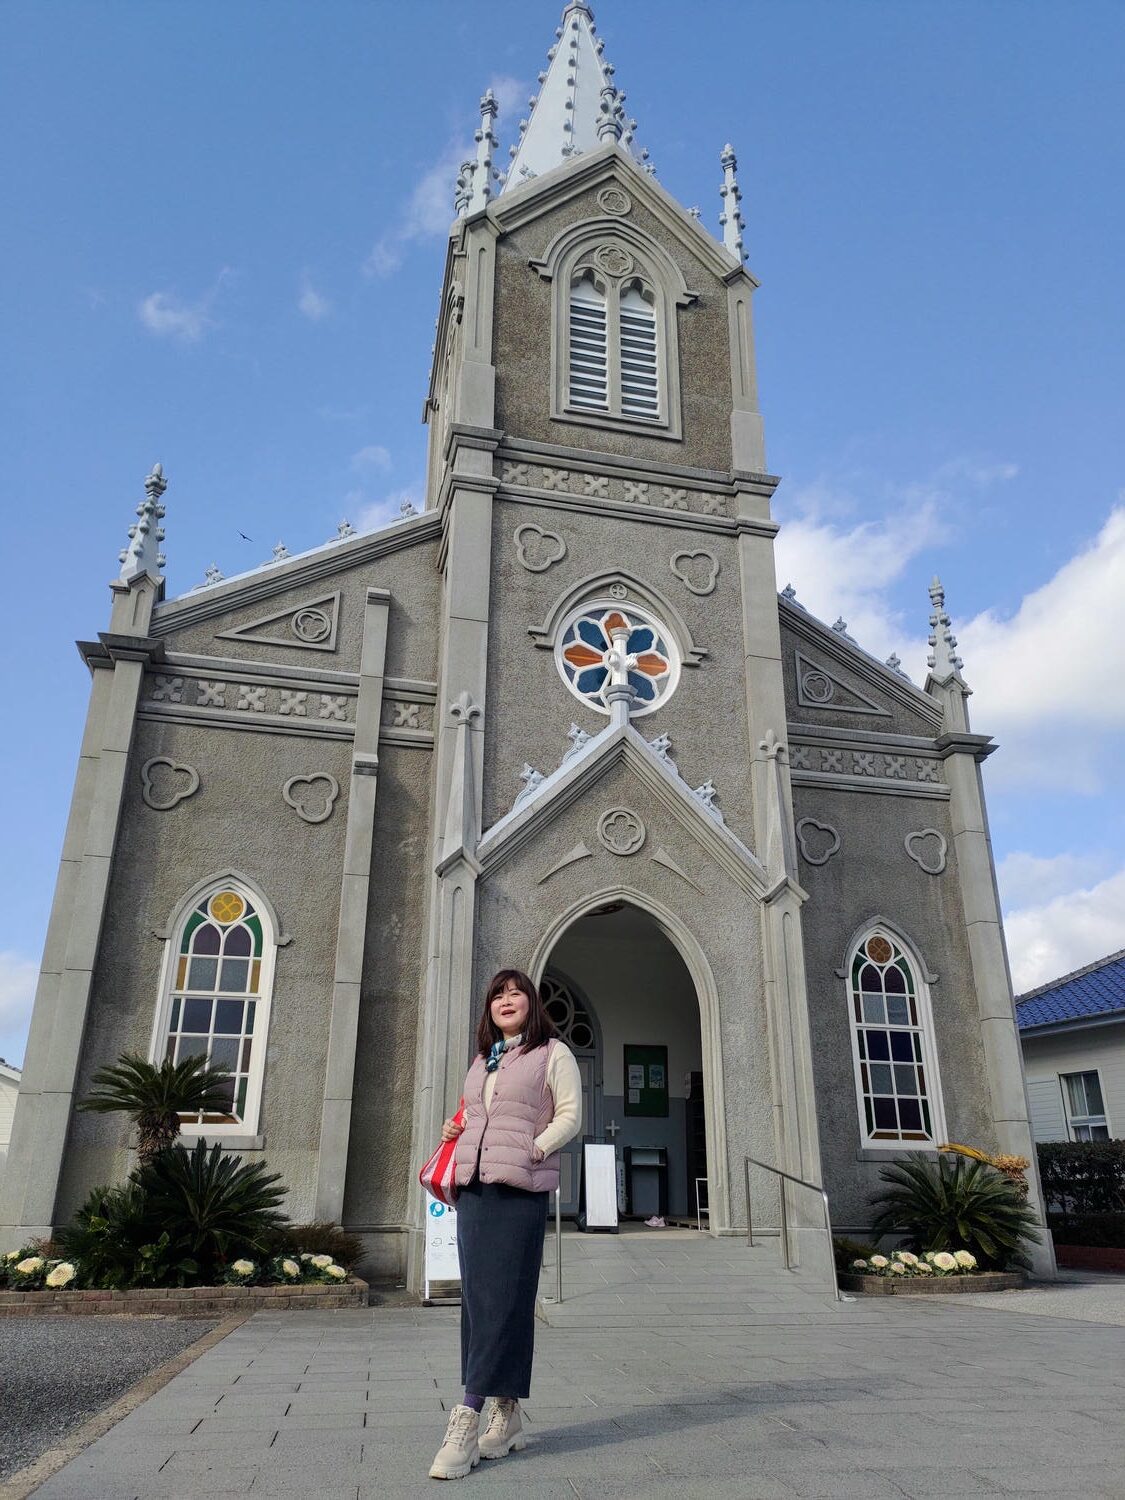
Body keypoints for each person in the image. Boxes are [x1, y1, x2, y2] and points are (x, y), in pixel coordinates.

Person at [428, 967, 583, 1481]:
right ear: (489, 1010)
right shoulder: (483, 1060)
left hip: (518, 1190)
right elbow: (479, 1116)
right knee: (482, 1301)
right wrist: (458, 1128)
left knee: (503, 1298)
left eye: (516, 993)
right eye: (498, 994)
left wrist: (534, 1149)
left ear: (532, 1004)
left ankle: (469, 1411)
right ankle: (508, 1412)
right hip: (474, 1188)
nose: (507, 1000)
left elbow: (570, 1115)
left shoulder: (552, 1053)